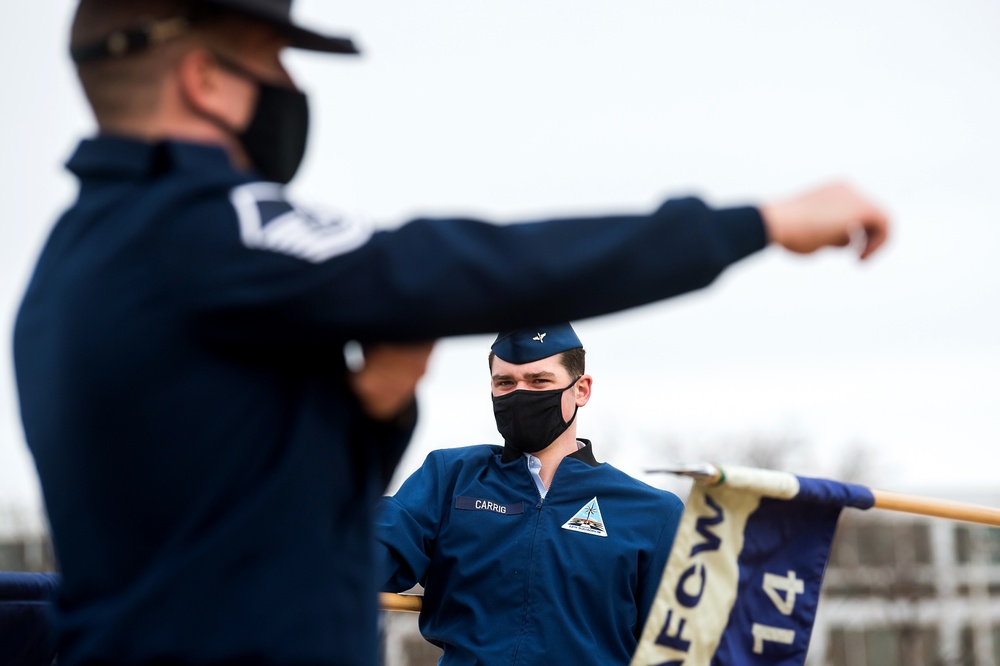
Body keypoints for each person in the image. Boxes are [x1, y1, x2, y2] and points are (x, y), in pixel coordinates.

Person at [12, 0, 889, 664]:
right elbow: (455, 264)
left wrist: (371, 413)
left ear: (583, 390)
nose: (291, 89)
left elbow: (242, 520)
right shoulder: (210, 228)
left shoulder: (75, 263)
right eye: (273, 61)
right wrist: (752, 223)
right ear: (206, 80)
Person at [376, 324, 685, 665]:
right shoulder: (449, 477)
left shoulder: (654, 513)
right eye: (505, 382)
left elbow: (677, 649)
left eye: (539, 381)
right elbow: (360, 556)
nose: (520, 393)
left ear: (581, 389)